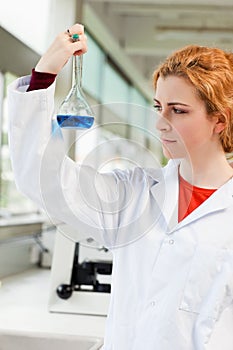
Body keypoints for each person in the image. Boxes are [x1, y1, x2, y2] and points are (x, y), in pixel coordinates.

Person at [8, 23, 233, 350]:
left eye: (178, 110)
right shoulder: (134, 195)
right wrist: (46, 72)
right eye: (158, 107)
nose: (160, 122)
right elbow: (43, 179)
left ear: (219, 121)